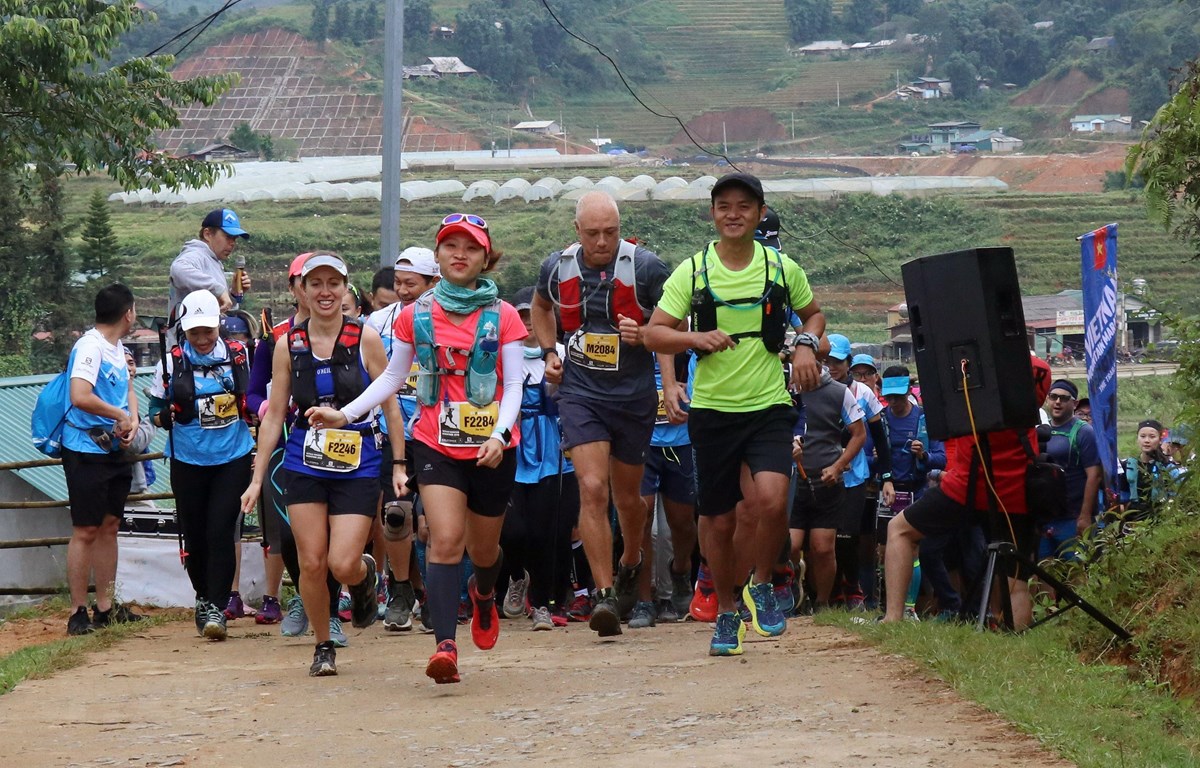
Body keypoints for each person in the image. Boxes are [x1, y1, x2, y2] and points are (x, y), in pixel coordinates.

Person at [308, 214, 526, 684]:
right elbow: (391, 376)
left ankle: (484, 593)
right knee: (445, 540)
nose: (460, 255)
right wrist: (346, 414)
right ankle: (445, 646)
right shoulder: (416, 315)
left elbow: (514, 386)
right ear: (439, 255)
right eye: (451, 246)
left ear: (486, 258)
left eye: (471, 247)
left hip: (492, 446)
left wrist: (499, 435)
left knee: (484, 550)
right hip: (435, 442)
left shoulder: (503, 315)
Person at [644, 172, 825, 656]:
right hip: (713, 411)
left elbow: (813, 314)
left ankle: (761, 583)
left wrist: (805, 344)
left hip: (769, 405)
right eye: (723, 205)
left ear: (760, 213)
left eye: (744, 206)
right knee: (719, 521)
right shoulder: (693, 271)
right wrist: (694, 338)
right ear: (712, 214)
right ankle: (725, 610)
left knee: (772, 500)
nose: (733, 214)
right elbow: (654, 332)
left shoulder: (782, 267)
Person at [239, 252, 405, 677]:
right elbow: (274, 414)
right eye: (316, 284)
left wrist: (399, 463)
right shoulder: (287, 344)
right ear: (302, 290)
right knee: (311, 562)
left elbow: (390, 403)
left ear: (346, 288)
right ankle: (322, 644)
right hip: (305, 459)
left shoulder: (365, 337)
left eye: (334, 283)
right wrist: (257, 479)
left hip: (358, 460)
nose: (325, 292)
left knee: (341, 562)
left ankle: (363, 577)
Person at [531, 191, 673, 637]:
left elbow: (678, 325)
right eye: (592, 233)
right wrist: (549, 351)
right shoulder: (556, 267)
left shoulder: (646, 267)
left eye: (610, 232)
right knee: (592, 487)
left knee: (628, 499)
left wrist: (645, 334)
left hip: (633, 397)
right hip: (581, 394)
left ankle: (631, 558)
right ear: (577, 231)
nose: (601, 242)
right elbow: (540, 306)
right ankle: (605, 595)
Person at [883, 355, 1053, 630]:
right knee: (1016, 582)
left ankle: (893, 618)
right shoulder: (1038, 369)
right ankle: (1014, 640)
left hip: (966, 484)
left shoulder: (974, 362)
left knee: (899, 530)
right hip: (1015, 488)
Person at [149, 290, 255, 641]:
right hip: (188, 458)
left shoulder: (239, 355)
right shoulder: (170, 363)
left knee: (220, 529)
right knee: (194, 533)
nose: (202, 339)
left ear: (218, 326)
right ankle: (203, 597)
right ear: (185, 331)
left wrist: (254, 408)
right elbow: (154, 411)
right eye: (195, 332)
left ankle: (217, 606)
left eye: (208, 331)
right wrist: (165, 416)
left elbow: (256, 396)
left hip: (233, 457)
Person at [61, 283, 145, 635]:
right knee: (86, 529)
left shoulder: (116, 347)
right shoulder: (90, 347)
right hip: (85, 449)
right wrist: (118, 415)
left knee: (110, 525)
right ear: (128, 313)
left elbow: (127, 389)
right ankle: (78, 610)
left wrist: (132, 419)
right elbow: (79, 396)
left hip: (113, 449)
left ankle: (105, 606)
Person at [365, 246, 440, 632]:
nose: (403, 291)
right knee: (395, 515)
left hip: (439, 433)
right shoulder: (378, 322)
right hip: (393, 433)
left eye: (412, 284)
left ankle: (436, 593)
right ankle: (399, 589)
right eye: (399, 283)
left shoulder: (449, 319)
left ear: (434, 282)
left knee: (436, 521)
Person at [501, 286, 579, 631]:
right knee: (513, 530)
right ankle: (517, 576)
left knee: (546, 531)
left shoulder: (562, 354)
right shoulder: (504, 354)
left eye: (533, 315)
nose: (528, 323)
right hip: (513, 447)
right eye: (521, 316)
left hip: (553, 450)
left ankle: (543, 603)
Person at [788, 345, 865, 610]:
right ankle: (793, 595)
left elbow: (859, 434)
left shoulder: (839, 392)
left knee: (822, 548)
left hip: (826, 481)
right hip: (793, 480)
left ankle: (822, 602)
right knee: (791, 545)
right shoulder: (787, 390)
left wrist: (838, 466)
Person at [824, 334, 891, 610]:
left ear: (848, 364)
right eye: (827, 361)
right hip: (823, 473)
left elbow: (880, 438)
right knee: (826, 536)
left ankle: (852, 589)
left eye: (837, 362)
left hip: (854, 476)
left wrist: (887, 477)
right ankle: (830, 593)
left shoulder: (863, 393)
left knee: (848, 536)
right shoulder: (815, 387)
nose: (832, 367)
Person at [879, 367, 950, 620]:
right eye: (889, 397)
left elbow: (942, 458)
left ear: (909, 391)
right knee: (885, 550)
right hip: (887, 492)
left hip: (916, 490)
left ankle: (909, 608)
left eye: (898, 396)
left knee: (913, 549)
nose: (893, 402)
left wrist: (923, 455)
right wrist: (879, 463)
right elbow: (864, 455)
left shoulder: (924, 420)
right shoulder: (880, 420)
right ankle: (889, 606)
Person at [168, 208, 251, 343]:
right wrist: (218, 290)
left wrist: (233, 294)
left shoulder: (213, 261)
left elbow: (217, 306)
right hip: (184, 348)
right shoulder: (196, 255)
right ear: (207, 234)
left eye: (235, 239)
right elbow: (178, 269)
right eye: (228, 237)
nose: (232, 243)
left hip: (205, 346)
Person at [1041, 379, 1102, 558]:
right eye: (1053, 397)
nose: (1058, 402)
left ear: (1074, 404)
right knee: (1045, 569)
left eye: (1064, 398)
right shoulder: (1042, 431)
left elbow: (1094, 476)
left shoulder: (1084, 432)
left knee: (1077, 570)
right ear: (1047, 399)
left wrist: (1085, 516)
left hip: (1072, 518)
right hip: (1046, 517)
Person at [1117, 420, 1180, 522]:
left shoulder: (1168, 468)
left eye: (1152, 436)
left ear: (1160, 440)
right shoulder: (1127, 465)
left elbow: (1176, 496)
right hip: (1133, 518)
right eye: (1142, 436)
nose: (1147, 440)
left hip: (1160, 518)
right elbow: (1123, 495)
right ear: (1137, 438)